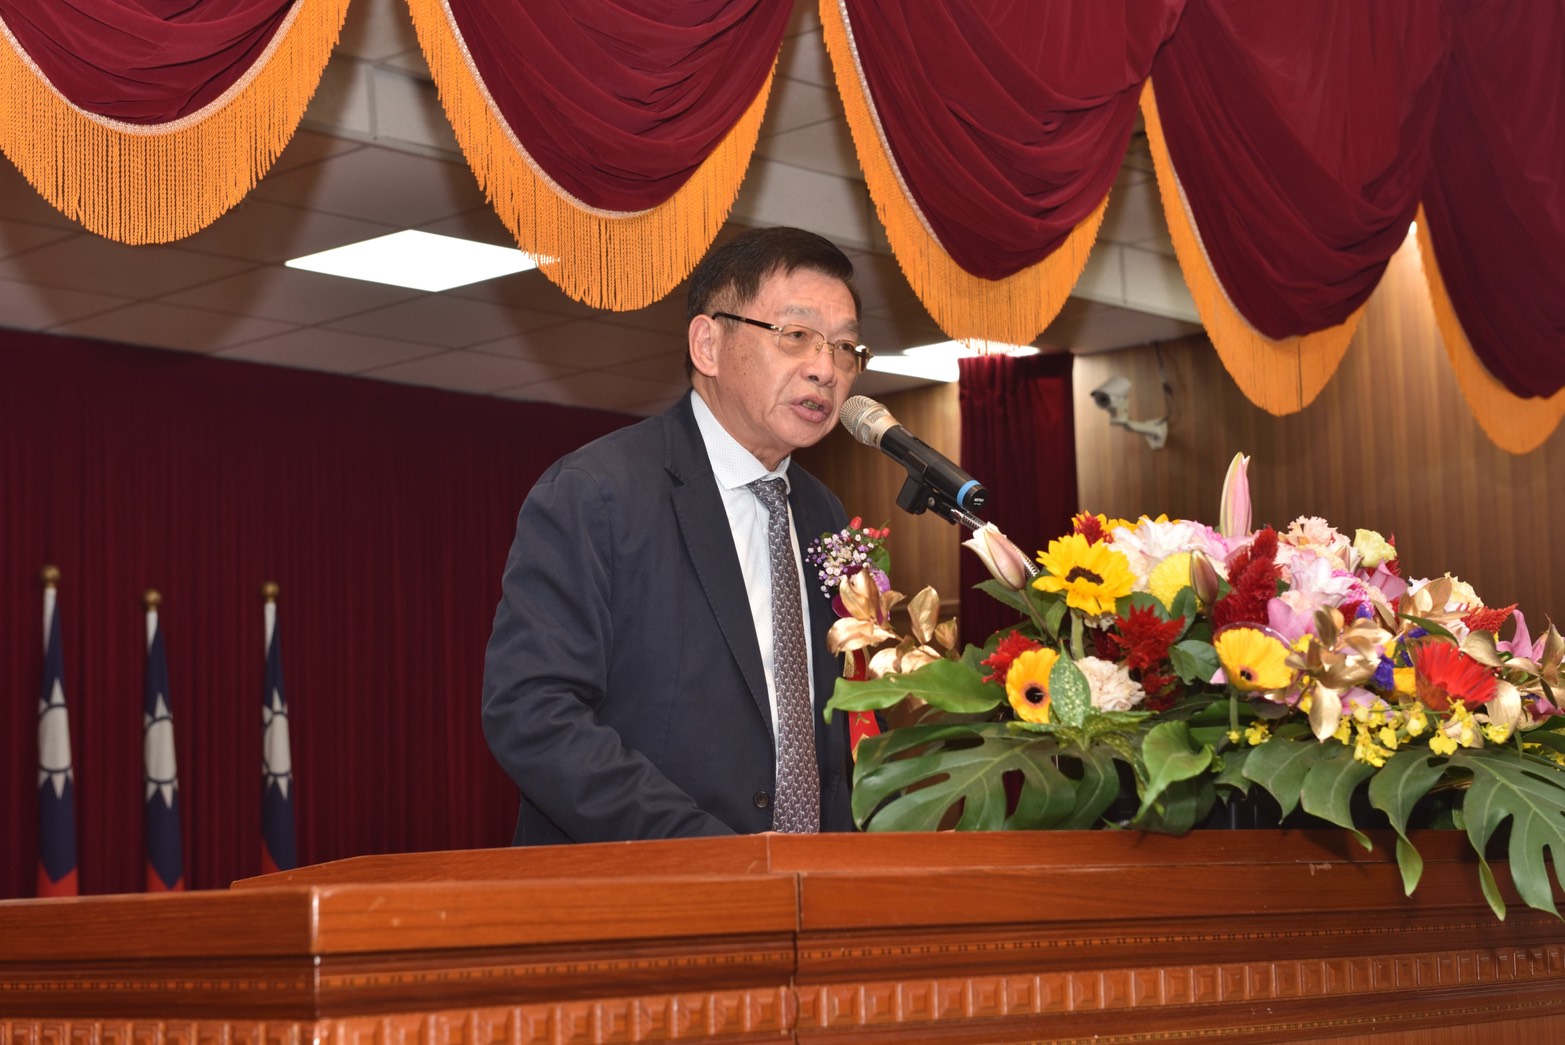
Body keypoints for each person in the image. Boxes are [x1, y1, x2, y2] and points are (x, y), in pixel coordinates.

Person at [482, 226, 871, 845]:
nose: (826, 369)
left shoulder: (823, 513)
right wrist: (709, 852)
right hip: (646, 884)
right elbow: (533, 713)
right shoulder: (598, 491)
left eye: (845, 347)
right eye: (796, 335)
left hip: (813, 885)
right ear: (707, 344)